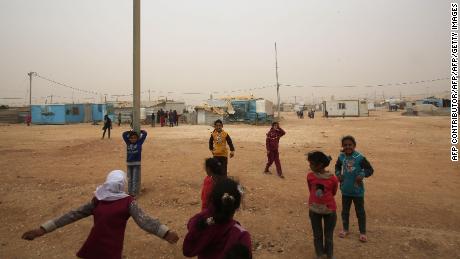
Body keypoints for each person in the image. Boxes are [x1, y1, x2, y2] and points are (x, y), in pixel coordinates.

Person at [22, 170, 179, 259]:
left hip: (94, 246)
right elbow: (144, 220)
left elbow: (72, 215)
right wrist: (165, 232)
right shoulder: (127, 202)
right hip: (112, 249)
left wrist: (42, 229)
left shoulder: (98, 199)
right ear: (123, 184)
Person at [183, 178, 251, 259]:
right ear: (237, 206)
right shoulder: (241, 236)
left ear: (211, 199)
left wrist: (209, 212)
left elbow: (192, 229)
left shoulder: (201, 222)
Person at [335, 135, 374, 242]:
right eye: (345, 145)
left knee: (360, 212)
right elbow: (337, 166)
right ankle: (345, 229)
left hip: (357, 191)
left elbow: (370, 169)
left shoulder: (360, 158)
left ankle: (362, 232)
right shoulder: (341, 157)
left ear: (354, 145)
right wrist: (338, 174)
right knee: (345, 211)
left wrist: (362, 174)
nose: (348, 147)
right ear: (342, 146)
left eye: (350, 145)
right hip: (345, 190)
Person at [307, 151, 338, 259]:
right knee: (318, 235)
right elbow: (333, 193)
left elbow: (312, 190)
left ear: (319, 165)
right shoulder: (310, 176)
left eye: (311, 163)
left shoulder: (332, 178)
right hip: (318, 209)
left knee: (327, 236)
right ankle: (320, 254)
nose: (309, 166)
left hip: (327, 211)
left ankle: (327, 255)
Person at [122, 129, 147, 196]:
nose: (133, 139)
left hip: (136, 164)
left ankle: (134, 193)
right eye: (131, 138)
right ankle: (129, 193)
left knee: (135, 179)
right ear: (129, 139)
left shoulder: (139, 142)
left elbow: (145, 134)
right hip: (129, 164)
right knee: (129, 179)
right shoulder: (128, 143)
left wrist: (140, 130)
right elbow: (124, 134)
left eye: (135, 138)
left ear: (137, 138)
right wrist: (130, 132)